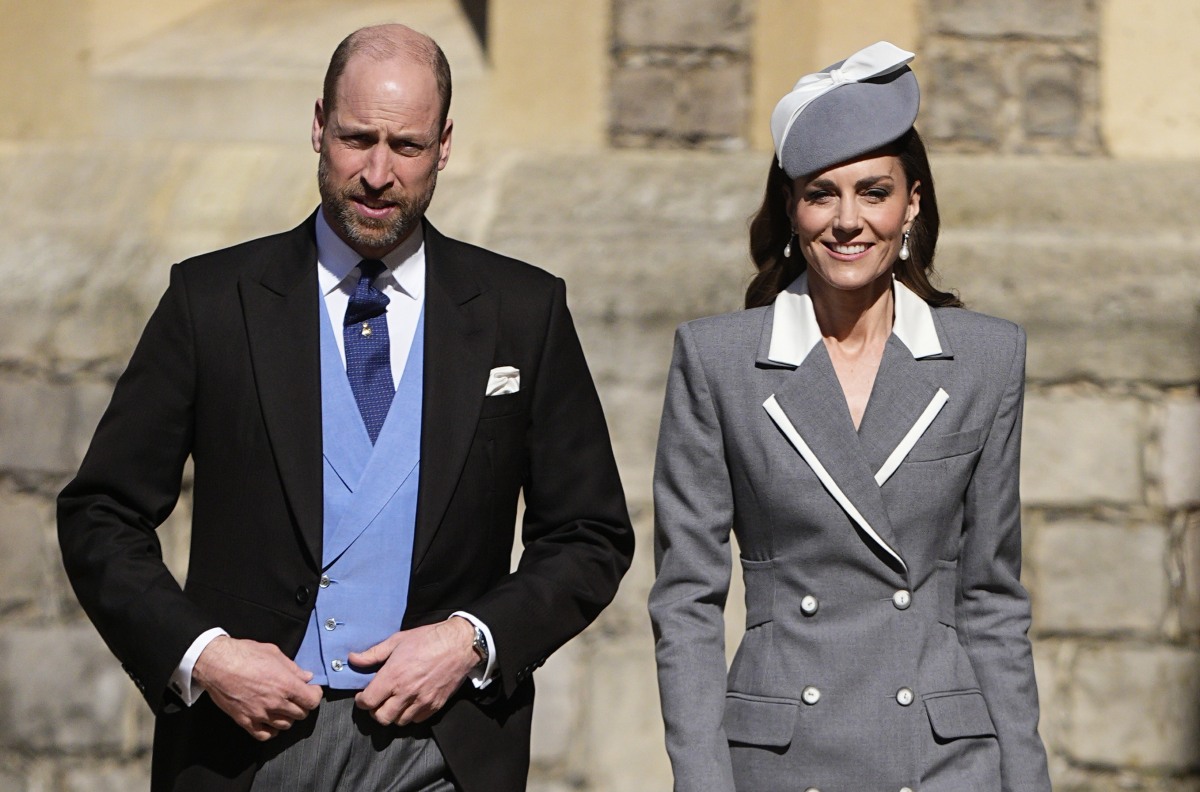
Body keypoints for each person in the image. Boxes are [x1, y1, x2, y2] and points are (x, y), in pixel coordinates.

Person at [58, 23, 633, 792]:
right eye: (358, 138)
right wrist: (206, 656)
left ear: (444, 145)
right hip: (242, 749)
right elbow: (100, 514)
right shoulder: (213, 302)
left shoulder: (522, 312)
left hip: (442, 747)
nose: (377, 173)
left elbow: (590, 534)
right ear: (319, 126)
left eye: (407, 146)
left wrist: (472, 640)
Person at [649, 41, 1051, 792]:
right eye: (820, 194)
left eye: (874, 192)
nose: (847, 221)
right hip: (783, 761)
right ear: (791, 208)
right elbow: (686, 604)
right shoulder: (718, 359)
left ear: (912, 203)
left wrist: (1027, 782)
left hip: (944, 762)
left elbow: (993, 602)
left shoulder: (987, 357)